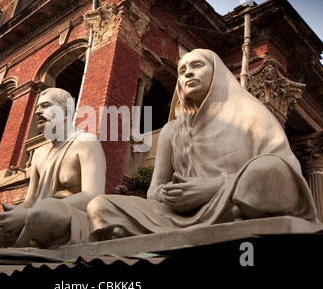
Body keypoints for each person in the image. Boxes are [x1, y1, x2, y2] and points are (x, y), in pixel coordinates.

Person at [87, 49, 318, 241]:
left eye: (197, 66)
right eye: (182, 71)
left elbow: (287, 172)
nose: (188, 74)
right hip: (177, 215)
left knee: (269, 169)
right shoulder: (172, 130)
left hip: (228, 199)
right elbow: (153, 191)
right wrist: (169, 194)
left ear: (216, 73)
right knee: (100, 206)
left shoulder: (252, 115)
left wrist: (211, 188)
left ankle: (231, 210)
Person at [0, 88, 106, 248]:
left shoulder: (86, 141)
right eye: (38, 107)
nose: (38, 112)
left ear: (66, 111)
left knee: (46, 210)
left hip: (64, 217)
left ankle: (17, 238)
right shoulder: (39, 153)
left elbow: (93, 194)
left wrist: (28, 215)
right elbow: (30, 200)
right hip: (34, 217)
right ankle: (22, 234)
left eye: (45, 106)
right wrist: (15, 214)